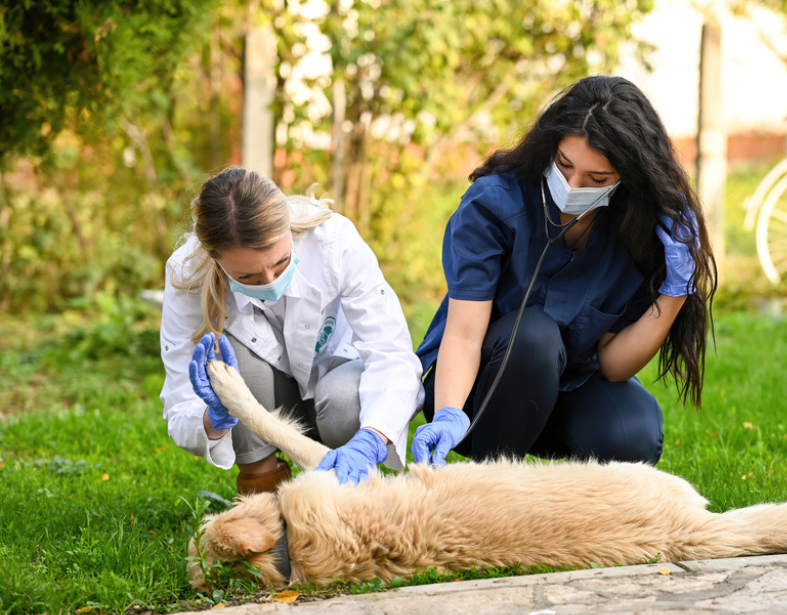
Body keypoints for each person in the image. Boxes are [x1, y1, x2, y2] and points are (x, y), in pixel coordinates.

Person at [412, 76, 716, 468]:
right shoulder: (495, 203)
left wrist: (676, 292)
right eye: (564, 165)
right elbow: (465, 333)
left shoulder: (639, 230)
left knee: (632, 434)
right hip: (477, 392)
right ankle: (491, 487)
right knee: (535, 335)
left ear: (628, 178)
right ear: (550, 147)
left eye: (597, 180)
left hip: (566, 391)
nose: (573, 187)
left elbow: (613, 363)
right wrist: (450, 412)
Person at [160, 167, 423, 494]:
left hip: (337, 388)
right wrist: (215, 416)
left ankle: (352, 491)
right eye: (248, 277)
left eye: (281, 262)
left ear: (288, 228)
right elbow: (180, 402)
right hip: (263, 403)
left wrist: (371, 438)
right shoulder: (187, 273)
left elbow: (393, 355)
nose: (271, 283)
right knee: (226, 370)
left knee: (345, 402)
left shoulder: (333, 241)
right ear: (216, 259)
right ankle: (264, 491)